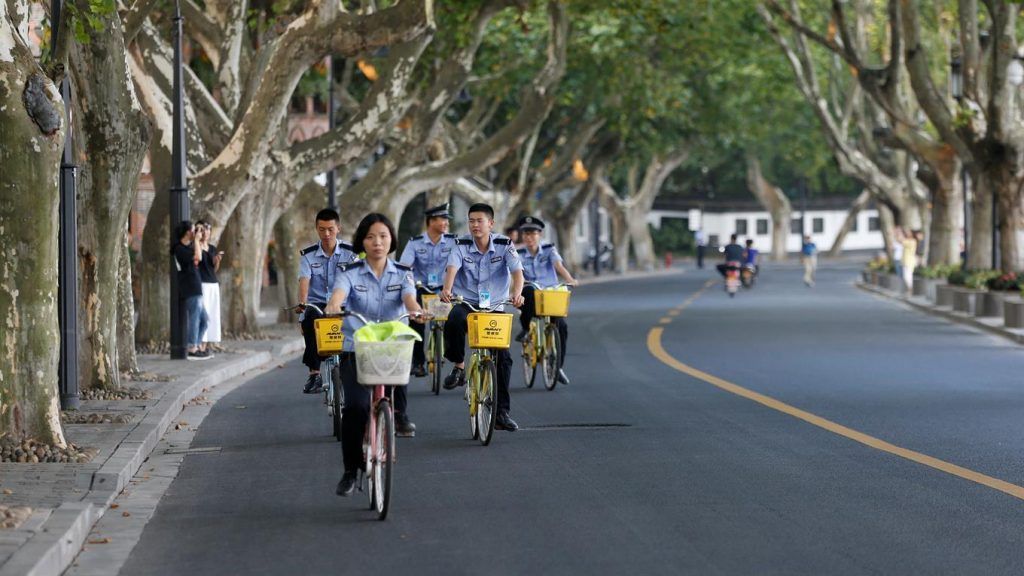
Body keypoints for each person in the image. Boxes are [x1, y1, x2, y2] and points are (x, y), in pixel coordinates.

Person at [324, 213, 425, 496]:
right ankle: (350, 469)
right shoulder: (349, 273)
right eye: (370, 237)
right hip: (357, 348)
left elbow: (408, 298)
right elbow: (338, 296)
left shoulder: (403, 272)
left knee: (394, 389)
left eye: (383, 236)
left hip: (392, 348)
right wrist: (334, 305)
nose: (377, 242)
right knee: (355, 407)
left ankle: (395, 417)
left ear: (391, 239)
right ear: (362, 241)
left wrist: (415, 309)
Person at [440, 203, 525, 432]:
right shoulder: (461, 245)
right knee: (454, 319)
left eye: (479, 221)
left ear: (491, 223)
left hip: (494, 306)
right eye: (471, 221)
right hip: (468, 303)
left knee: (504, 358)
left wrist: (517, 294)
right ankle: (458, 366)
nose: (475, 225)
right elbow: (452, 269)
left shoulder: (504, 244)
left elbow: (517, 272)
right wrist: (447, 290)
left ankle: (501, 413)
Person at [298, 209, 358, 394]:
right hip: (318, 305)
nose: (326, 234)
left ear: (338, 228)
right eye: (322, 229)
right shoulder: (307, 256)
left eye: (330, 229)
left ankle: (353, 372)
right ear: (316, 229)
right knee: (309, 319)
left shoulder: (350, 253)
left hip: (345, 304)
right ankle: (314, 374)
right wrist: (302, 311)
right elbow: (304, 283)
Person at [513, 216, 577, 385]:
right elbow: (514, 273)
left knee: (561, 326)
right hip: (531, 290)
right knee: (528, 291)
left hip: (550, 293)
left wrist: (570, 279)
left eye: (533, 233)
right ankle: (527, 329)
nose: (529, 237)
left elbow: (559, 266)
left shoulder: (549, 250)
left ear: (540, 234)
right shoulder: (517, 253)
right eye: (526, 234)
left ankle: (558, 367)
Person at [398, 202, 456, 377]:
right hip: (421, 288)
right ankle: (418, 363)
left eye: (447, 219)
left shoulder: (454, 241)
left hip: (443, 290)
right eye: (443, 219)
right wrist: (409, 284)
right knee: (417, 322)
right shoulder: (414, 243)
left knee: (452, 322)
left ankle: (449, 352)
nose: (446, 222)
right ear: (431, 221)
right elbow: (405, 267)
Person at [172, 221, 210, 360]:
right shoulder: (179, 248)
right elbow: (198, 257)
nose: (196, 232)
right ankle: (192, 347)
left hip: (196, 285)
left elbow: (199, 256)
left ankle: (196, 345)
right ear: (188, 232)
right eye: (194, 230)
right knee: (195, 318)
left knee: (205, 320)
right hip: (190, 287)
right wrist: (196, 240)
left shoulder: (189, 247)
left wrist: (197, 241)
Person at [195, 221, 222, 355]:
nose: (206, 232)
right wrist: (198, 241)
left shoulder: (212, 248)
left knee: (212, 314)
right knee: (202, 314)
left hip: (213, 283)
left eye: (208, 229)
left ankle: (205, 345)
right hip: (202, 283)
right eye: (203, 229)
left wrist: (217, 261)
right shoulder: (196, 246)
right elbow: (198, 261)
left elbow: (214, 269)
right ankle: (199, 343)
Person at [901, 229, 920, 295]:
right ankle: (909, 290)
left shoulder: (912, 241)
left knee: (907, 276)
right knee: (906, 276)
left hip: (909, 261)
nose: (907, 234)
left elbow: (902, 242)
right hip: (905, 260)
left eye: (908, 233)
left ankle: (910, 290)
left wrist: (900, 235)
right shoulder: (909, 241)